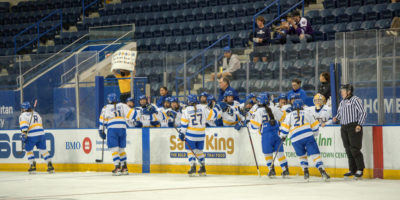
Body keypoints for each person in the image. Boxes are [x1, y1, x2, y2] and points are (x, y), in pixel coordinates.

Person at [280, 99, 330, 181]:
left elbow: (284, 128)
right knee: (315, 155)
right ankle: (322, 171)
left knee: (302, 156)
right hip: (308, 136)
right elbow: (315, 126)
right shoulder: (308, 113)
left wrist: (283, 136)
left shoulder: (289, 115)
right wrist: (314, 134)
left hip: (295, 139)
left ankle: (306, 172)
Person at [178, 94, 220, 176]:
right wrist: (214, 108)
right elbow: (213, 116)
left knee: (190, 151)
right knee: (200, 151)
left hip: (191, 135)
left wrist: (182, 133)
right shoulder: (203, 108)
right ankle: (202, 168)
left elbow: (184, 124)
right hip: (201, 134)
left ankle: (193, 166)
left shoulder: (186, 110)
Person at [248, 93, 288, 177]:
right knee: (279, 152)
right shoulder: (274, 108)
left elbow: (254, 126)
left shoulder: (258, 111)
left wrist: (248, 122)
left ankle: (271, 170)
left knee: (267, 153)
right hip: (277, 133)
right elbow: (283, 117)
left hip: (266, 135)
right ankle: (285, 170)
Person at [98, 93, 138, 175]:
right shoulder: (123, 105)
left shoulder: (106, 108)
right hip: (122, 127)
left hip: (112, 128)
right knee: (121, 149)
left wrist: (101, 130)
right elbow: (132, 114)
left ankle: (117, 167)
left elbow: (102, 120)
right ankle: (124, 167)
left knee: (114, 148)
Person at [333, 84, 367, 179]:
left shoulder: (355, 100)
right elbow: (340, 114)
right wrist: (336, 118)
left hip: (353, 126)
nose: (341, 92)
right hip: (344, 127)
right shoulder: (342, 102)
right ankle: (352, 170)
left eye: (343, 90)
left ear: (349, 91)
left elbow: (363, 112)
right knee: (348, 149)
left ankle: (360, 169)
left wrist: (359, 124)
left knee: (355, 149)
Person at [19, 101, 54, 174]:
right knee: (43, 150)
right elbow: (40, 123)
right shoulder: (36, 113)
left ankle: (32, 165)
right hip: (41, 134)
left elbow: (24, 126)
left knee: (29, 150)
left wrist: (23, 135)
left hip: (32, 136)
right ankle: (50, 165)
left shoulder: (23, 115)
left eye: (22, 108)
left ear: (24, 109)